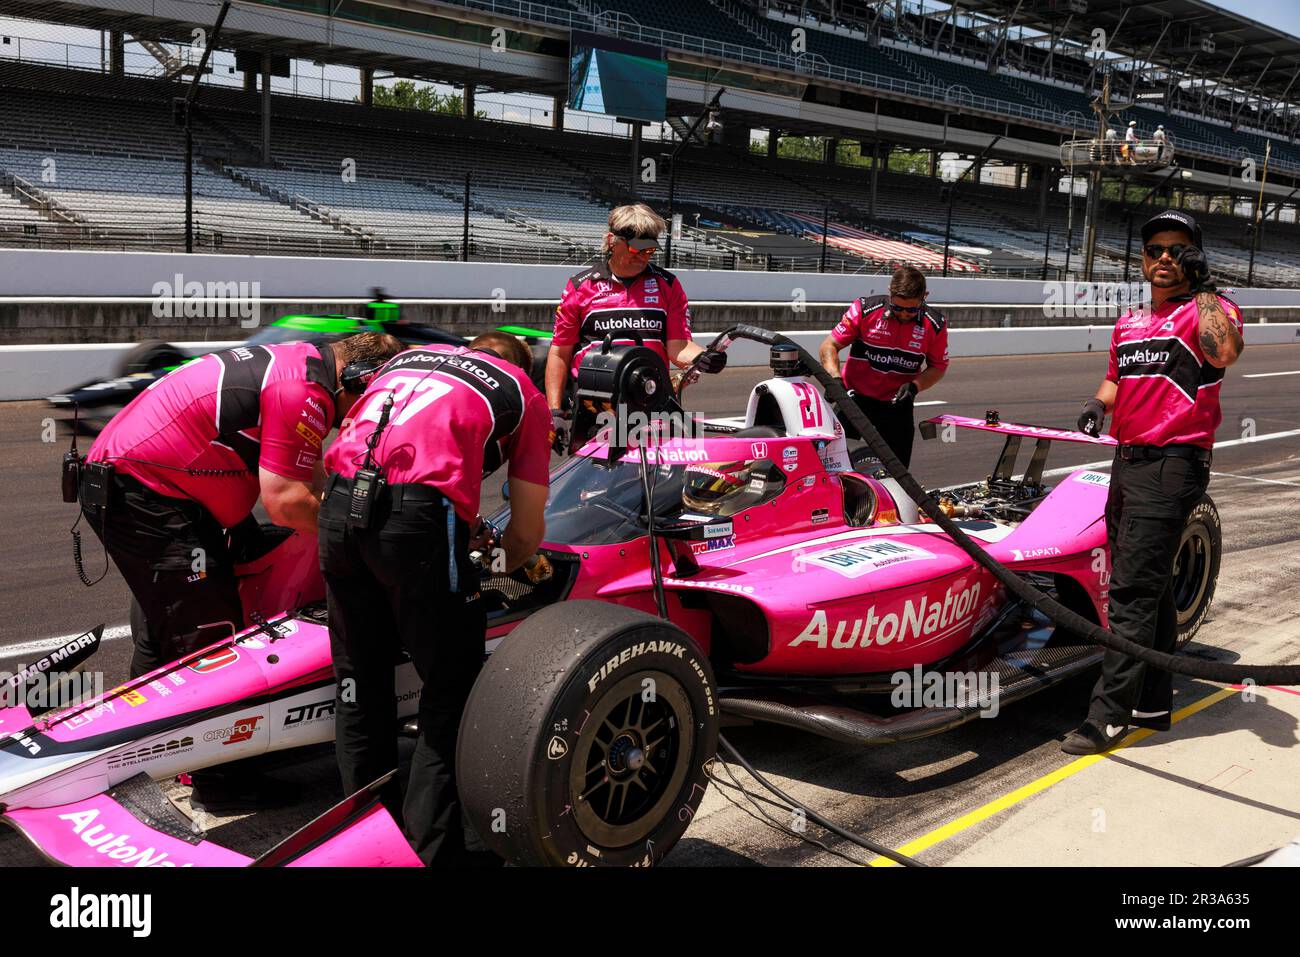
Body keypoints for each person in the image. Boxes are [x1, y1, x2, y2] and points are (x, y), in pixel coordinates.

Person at [320, 331, 551, 865]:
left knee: (358, 680)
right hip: (416, 516)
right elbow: (525, 535)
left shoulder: (405, 360)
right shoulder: (522, 392)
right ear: (519, 366)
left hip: (339, 505)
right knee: (450, 686)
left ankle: (366, 838)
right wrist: (500, 571)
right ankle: (435, 854)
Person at [81, 332, 404, 677]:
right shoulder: (303, 391)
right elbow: (287, 503)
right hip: (144, 492)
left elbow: (312, 480)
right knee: (209, 637)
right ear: (361, 376)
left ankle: (142, 723)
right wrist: (368, 538)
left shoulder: (303, 364)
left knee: (174, 625)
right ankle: (172, 726)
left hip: (150, 489)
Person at [1063, 210, 1244, 755]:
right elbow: (1118, 376)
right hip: (1128, 461)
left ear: (1195, 257)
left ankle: (1108, 716)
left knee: (1132, 592)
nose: (1163, 257)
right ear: (1141, 261)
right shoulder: (1131, 321)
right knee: (1152, 583)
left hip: (1174, 463)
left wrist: (1206, 284)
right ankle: (1151, 700)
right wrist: (1098, 401)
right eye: (1153, 250)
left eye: (1177, 249)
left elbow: (1226, 352)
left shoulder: (1210, 310)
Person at [544, 203, 727, 449]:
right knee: (596, 485)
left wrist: (704, 357)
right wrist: (554, 412)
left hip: (651, 402)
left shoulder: (668, 285)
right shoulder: (580, 287)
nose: (643, 257)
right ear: (612, 241)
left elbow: (679, 347)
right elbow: (560, 353)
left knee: (661, 483)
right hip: (596, 407)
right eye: (636, 249)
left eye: (650, 250)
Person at [818, 265, 949, 468]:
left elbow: (938, 367)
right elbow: (829, 346)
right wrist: (835, 380)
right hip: (854, 401)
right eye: (897, 307)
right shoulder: (864, 309)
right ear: (889, 292)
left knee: (897, 474)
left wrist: (915, 386)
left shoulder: (936, 324)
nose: (904, 314)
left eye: (912, 309)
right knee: (830, 466)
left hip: (897, 406)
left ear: (925, 296)